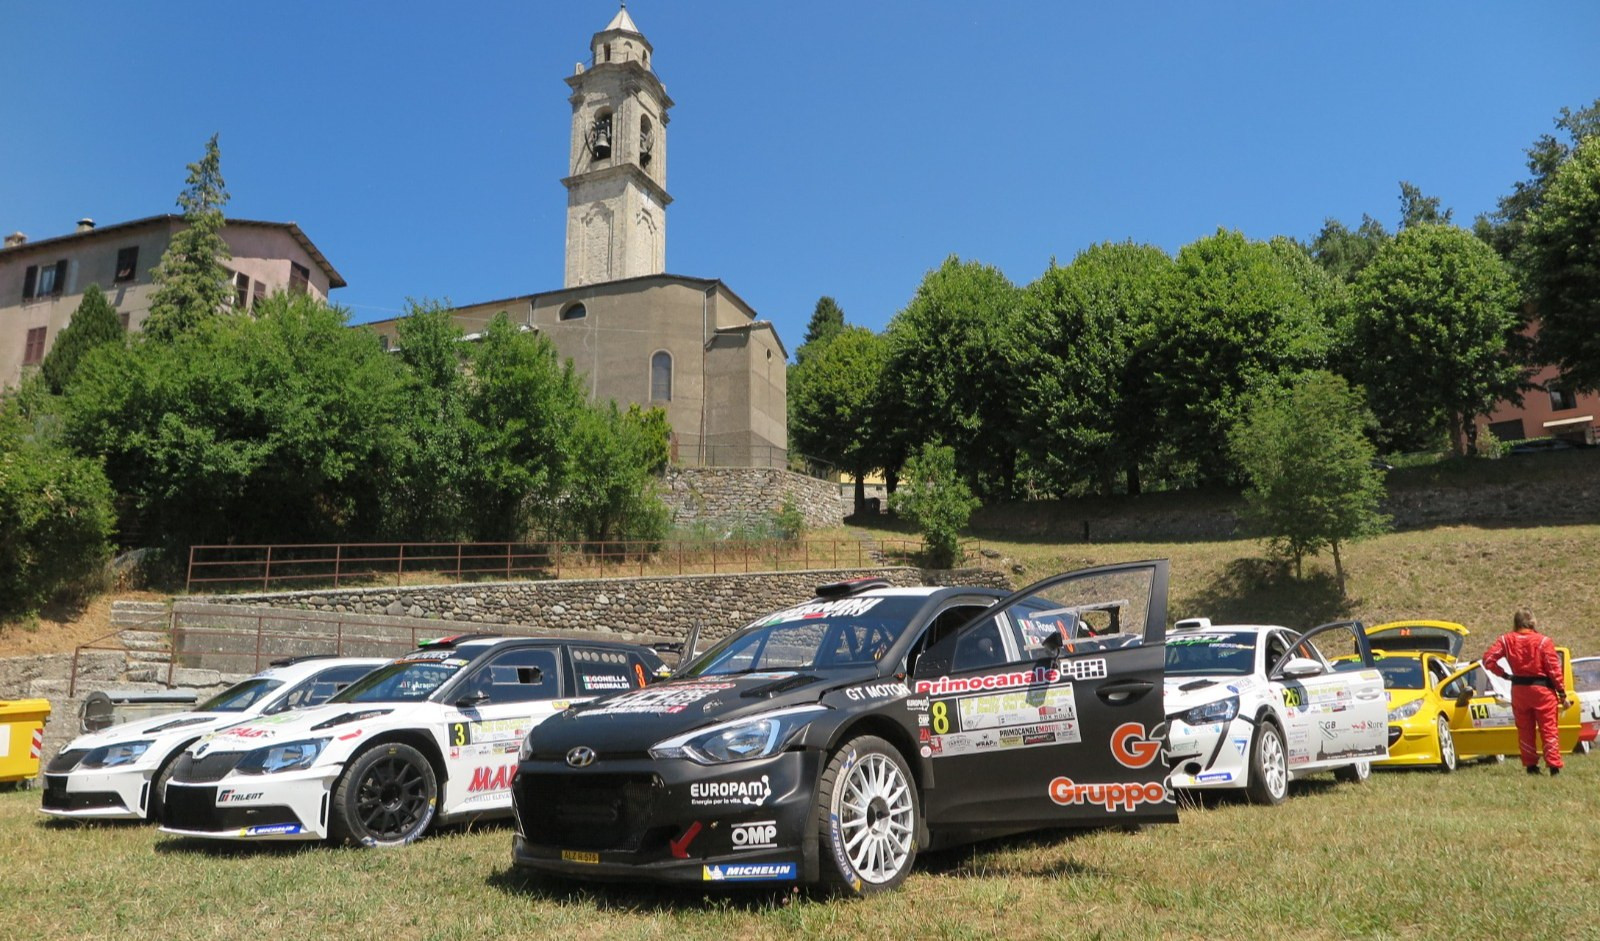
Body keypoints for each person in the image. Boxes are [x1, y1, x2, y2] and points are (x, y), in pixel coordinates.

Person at [1482, 608, 1571, 775]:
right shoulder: (1543, 641)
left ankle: (1531, 766)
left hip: (1519, 690)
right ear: (1532, 622)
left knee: (1525, 729)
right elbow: (1554, 670)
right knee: (1548, 728)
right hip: (1542, 690)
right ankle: (1554, 767)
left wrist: (1505, 674)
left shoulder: (1506, 640)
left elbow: (1488, 659)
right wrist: (1562, 693)